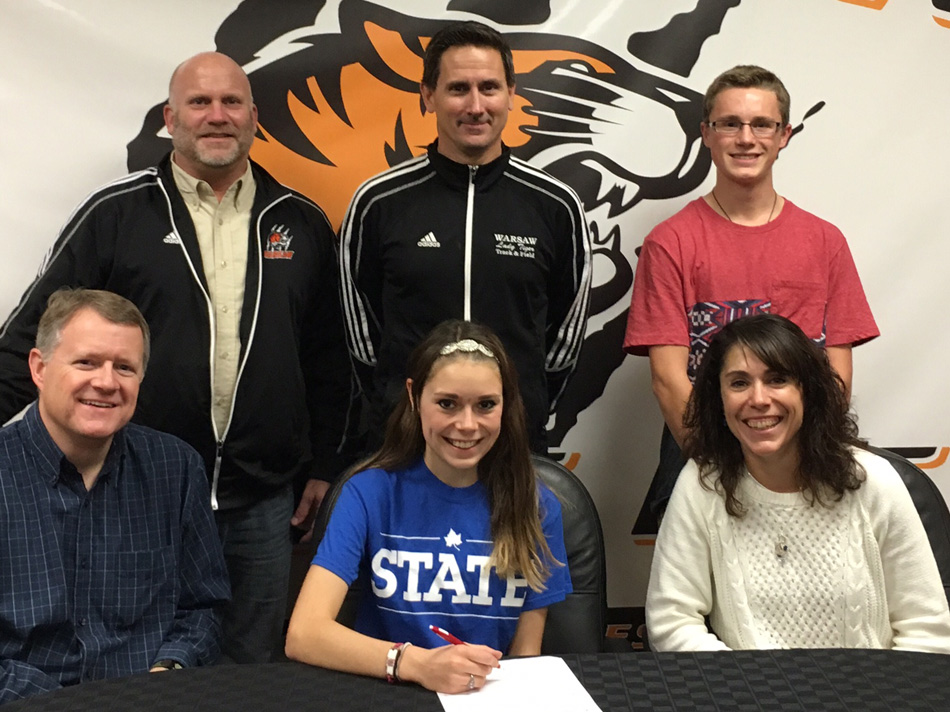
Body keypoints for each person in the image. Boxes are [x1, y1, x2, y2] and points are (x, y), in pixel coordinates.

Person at [0, 52, 350, 663]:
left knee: (251, 670)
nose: (217, 116)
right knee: (135, 659)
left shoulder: (301, 221)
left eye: (231, 102)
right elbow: (31, 341)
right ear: (170, 118)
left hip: (262, 499)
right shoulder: (116, 215)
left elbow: (327, 358)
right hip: (138, 493)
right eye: (199, 103)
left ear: (253, 116)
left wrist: (323, 463)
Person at [624, 65, 879, 519]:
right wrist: (729, 472)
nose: (746, 138)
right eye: (730, 124)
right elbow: (668, 380)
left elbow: (836, 376)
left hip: (810, 467)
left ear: (785, 135)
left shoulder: (825, 242)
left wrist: (796, 468)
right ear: (706, 133)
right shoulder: (671, 242)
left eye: (762, 124)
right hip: (705, 467)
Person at [339, 21, 592, 455]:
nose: (475, 106)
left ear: (511, 93)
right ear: (428, 96)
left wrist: (522, 399)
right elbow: (362, 336)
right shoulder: (378, 202)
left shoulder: (555, 204)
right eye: (458, 89)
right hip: (405, 440)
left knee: (511, 528)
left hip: (513, 438)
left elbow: (565, 334)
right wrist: (398, 402)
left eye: (489, 88)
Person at [285, 320, 572, 693]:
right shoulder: (368, 493)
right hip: (388, 688)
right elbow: (304, 634)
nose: (467, 425)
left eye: (486, 405)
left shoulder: (536, 504)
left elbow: (525, 653)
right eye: (447, 404)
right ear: (413, 396)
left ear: (507, 404)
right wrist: (417, 663)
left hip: (485, 698)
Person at [645, 313, 950, 653]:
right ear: (718, 399)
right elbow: (672, 623)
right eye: (739, 383)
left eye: (777, 380)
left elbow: (927, 634)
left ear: (808, 391)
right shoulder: (702, 485)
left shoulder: (875, 482)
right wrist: (750, 691)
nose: (758, 399)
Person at [0, 289, 230, 704]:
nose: (106, 382)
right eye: (86, 362)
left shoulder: (176, 468)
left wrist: (170, 670)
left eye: (124, 367)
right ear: (39, 368)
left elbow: (203, 607)